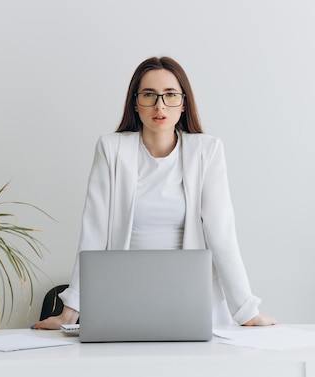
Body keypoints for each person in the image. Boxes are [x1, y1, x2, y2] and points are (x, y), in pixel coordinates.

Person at [33, 57, 276, 329]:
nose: (160, 105)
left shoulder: (207, 151)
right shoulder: (111, 150)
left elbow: (222, 234)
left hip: (191, 301)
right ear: (135, 103)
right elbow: (93, 232)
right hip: (123, 299)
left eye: (170, 95)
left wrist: (246, 312)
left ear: (183, 103)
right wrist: (70, 312)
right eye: (149, 95)